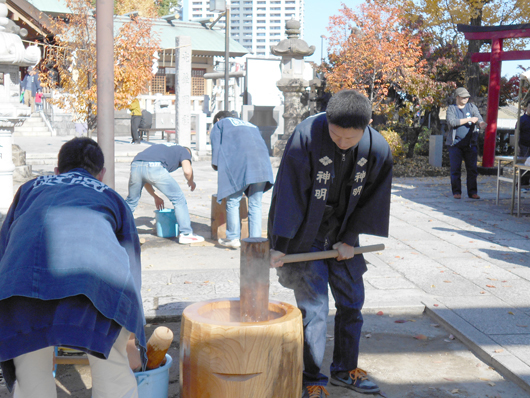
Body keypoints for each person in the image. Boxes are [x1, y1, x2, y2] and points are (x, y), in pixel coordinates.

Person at [268, 89, 393, 398]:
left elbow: (372, 199)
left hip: (344, 232)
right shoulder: (308, 134)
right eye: (335, 135)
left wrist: (349, 240)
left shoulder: (377, 148)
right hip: (305, 233)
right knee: (314, 309)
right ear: (327, 120)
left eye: (348, 139)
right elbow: (289, 191)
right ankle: (312, 378)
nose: (341, 143)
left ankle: (345, 369)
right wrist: (280, 243)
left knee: (352, 302)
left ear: (368, 124)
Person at [0, 137, 146, 397]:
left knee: (30, 371)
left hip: (21, 285)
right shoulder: (111, 196)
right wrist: (133, 335)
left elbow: (5, 245)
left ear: (57, 171)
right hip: (95, 287)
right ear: (101, 175)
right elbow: (130, 264)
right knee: (112, 365)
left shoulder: (29, 189)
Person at [210, 111, 274, 248]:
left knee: (233, 201)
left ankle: (233, 238)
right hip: (262, 167)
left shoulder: (220, 124)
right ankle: (256, 241)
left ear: (217, 119)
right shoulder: (251, 125)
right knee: (255, 204)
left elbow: (216, 150)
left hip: (241, 166)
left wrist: (217, 166)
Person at [125, 143, 205, 244]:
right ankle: (186, 234)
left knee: (131, 201)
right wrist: (191, 181)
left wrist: (155, 196)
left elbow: (144, 178)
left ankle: (116, 229)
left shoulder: (162, 150)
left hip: (135, 165)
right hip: (155, 166)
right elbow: (187, 171)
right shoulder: (184, 151)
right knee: (178, 199)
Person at [445, 87, 487, 200]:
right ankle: (456, 192)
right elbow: (452, 122)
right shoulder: (451, 109)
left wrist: (481, 123)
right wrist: (468, 120)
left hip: (470, 143)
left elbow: (478, 117)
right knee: (455, 169)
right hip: (455, 144)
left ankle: (472, 192)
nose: (466, 99)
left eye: (467, 97)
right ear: (457, 97)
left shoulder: (471, 107)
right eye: (463, 97)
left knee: (472, 169)